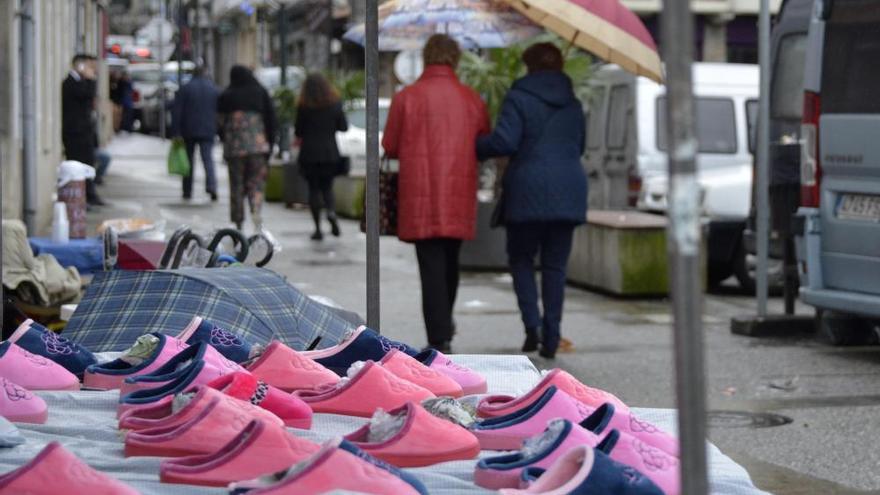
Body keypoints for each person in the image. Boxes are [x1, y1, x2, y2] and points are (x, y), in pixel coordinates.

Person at [476, 43, 587, 359]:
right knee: (556, 266)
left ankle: (532, 327)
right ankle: (552, 335)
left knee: (522, 261)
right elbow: (579, 146)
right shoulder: (574, 104)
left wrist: (476, 145)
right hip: (569, 190)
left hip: (527, 190)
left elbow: (505, 141)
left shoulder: (519, 97)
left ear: (529, 66)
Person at [382, 34, 490, 353]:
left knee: (429, 265)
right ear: (455, 59)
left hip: (419, 193)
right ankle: (444, 324)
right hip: (458, 189)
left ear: (426, 58)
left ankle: (438, 335)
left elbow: (390, 145)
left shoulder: (407, 97)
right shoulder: (471, 98)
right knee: (451, 261)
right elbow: (484, 140)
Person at [217, 65, 277, 231]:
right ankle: (256, 213)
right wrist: (270, 145)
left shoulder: (226, 95)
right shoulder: (260, 92)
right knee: (256, 184)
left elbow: (220, 123)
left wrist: (226, 139)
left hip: (234, 150)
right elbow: (271, 120)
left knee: (236, 185)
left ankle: (238, 223)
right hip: (258, 148)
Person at [295, 73, 348, 241]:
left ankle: (317, 229)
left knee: (313, 190)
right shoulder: (334, 104)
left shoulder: (304, 106)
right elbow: (343, 127)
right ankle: (331, 212)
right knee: (327, 187)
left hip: (309, 153)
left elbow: (298, 131)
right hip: (329, 152)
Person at [62, 53, 104, 206]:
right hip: (75, 133)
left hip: (84, 132)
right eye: (88, 66)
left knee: (88, 163)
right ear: (79, 65)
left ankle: (90, 196)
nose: (91, 70)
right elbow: (87, 94)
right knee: (78, 165)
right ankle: (83, 198)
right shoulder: (70, 83)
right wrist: (91, 79)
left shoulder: (79, 82)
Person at [173, 65, 219, 201]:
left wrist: (176, 131)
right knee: (208, 159)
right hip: (208, 129)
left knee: (188, 161)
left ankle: (187, 190)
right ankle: (212, 186)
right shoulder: (213, 89)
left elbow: (177, 111)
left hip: (189, 130)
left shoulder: (185, 88)